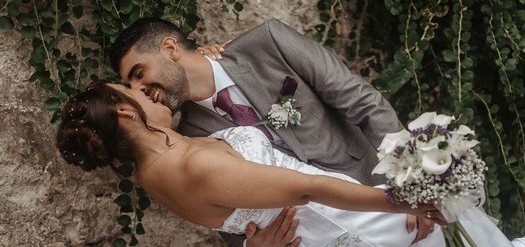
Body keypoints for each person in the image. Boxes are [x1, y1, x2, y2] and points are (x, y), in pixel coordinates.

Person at [56, 81, 525, 247]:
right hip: (344, 221)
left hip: (324, 231)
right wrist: (401, 197)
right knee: (435, 213)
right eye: (131, 90)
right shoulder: (187, 166)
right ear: (124, 111)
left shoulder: (155, 176)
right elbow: (302, 190)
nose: (145, 91)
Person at [108, 17, 432, 246]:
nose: (140, 89)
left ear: (170, 48)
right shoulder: (192, 138)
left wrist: (412, 185)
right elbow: (228, 214)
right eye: (130, 84)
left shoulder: (268, 43)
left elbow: (363, 103)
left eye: (139, 73)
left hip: (383, 188)